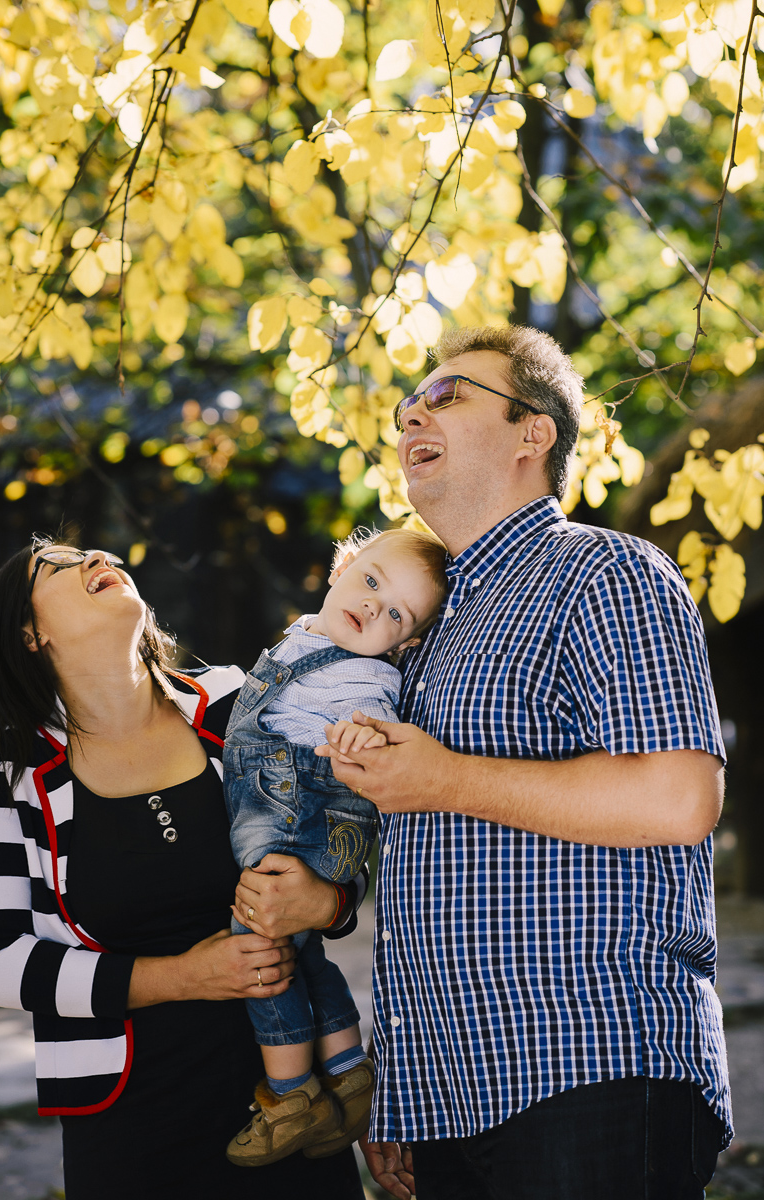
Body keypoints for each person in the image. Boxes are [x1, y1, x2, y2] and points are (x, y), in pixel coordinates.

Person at [318, 325, 731, 1200]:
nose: (411, 416)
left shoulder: (605, 572)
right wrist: (402, 1091)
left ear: (531, 432)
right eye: (407, 405)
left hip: (591, 1066)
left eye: (446, 396)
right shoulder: (423, 630)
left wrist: (444, 777)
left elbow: (679, 797)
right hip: (446, 1097)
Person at [0, 537, 367, 1200]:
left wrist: (328, 901)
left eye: (93, 551)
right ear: (30, 634)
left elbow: (342, 830)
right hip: (131, 1128)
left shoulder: (235, 701)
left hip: (294, 1103)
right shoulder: (3, 773)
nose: (96, 557)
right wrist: (184, 976)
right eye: (58, 563)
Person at [224, 527, 447, 1166]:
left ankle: (291, 1093)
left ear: (404, 644)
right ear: (342, 565)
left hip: (305, 815)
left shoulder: (368, 678)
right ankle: (347, 1069)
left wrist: (362, 740)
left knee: (259, 940)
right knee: (300, 948)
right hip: (282, 810)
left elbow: (376, 730)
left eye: (396, 614)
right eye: (371, 581)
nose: (374, 606)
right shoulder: (308, 635)